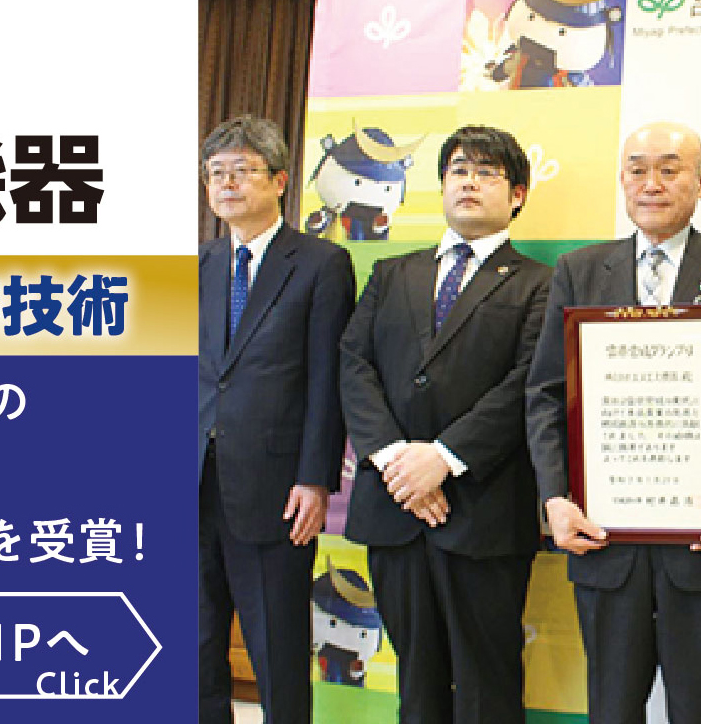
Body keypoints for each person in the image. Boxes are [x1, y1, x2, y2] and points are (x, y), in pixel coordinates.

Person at [524, 122, 701, 723]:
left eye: (669, 168)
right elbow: (546, 395)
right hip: (602, 540)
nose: (651, 183)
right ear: (622, 180)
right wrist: (555, 499)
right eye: (637, 170)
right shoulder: (580, 270)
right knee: (611, 710)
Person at [340, 125, 552, 723]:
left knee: (488, 681)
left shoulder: (540, 283)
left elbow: (529, 383)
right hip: (396, 508)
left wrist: (443, 457)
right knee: (416, 680)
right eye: (459, 170)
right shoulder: (391, 273)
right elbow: (354, 364)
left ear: (517, 194)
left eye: (487, 172)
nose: (469, 182)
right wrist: (396, 459)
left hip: (483, 510)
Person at [196, 114, 356, 724]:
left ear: (280, 180)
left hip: (275, 490)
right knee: (195, 642)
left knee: (277, 647)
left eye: (241, 171)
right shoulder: (200, 263)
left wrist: (315, 479)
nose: (227, 184)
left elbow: (326, 380)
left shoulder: (319, 263)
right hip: (195, 481)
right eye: (215, 173)